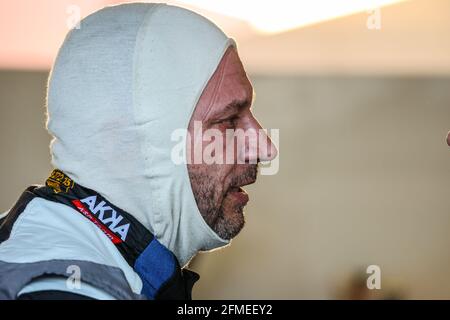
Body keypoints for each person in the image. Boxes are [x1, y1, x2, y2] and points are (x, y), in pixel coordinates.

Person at [0, 3, 277, 300]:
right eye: (228, 120)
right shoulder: (64, 288)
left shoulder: (85, 254)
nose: (265, 147)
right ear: (140, 141)